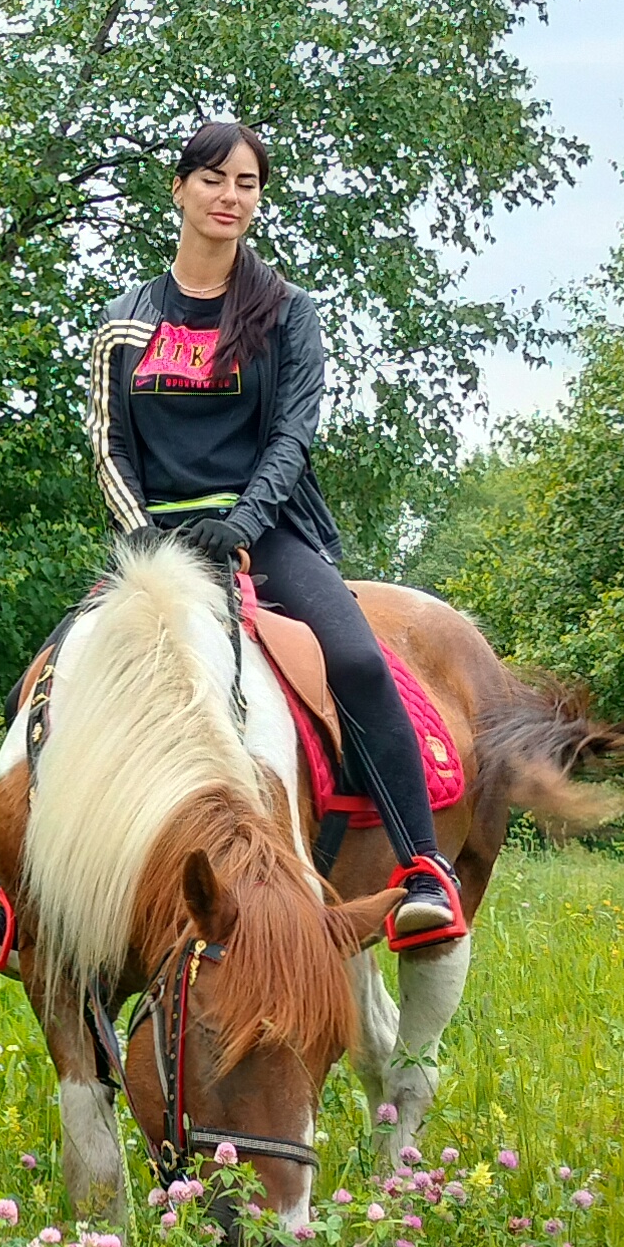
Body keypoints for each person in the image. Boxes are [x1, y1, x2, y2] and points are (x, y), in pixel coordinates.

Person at [81, 118, 462, 949]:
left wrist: (244, 524)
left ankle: (423, 867)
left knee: (358, 662)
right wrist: (142, 538)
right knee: (48, 682)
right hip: (154, 545)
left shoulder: (288, 312)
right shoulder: (121, 322)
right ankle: (13, 896)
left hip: (267, 528)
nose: (230, 196)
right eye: (213, 178)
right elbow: (108, 445)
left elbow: (293, 436)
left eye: (247, 183)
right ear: (179, 189)